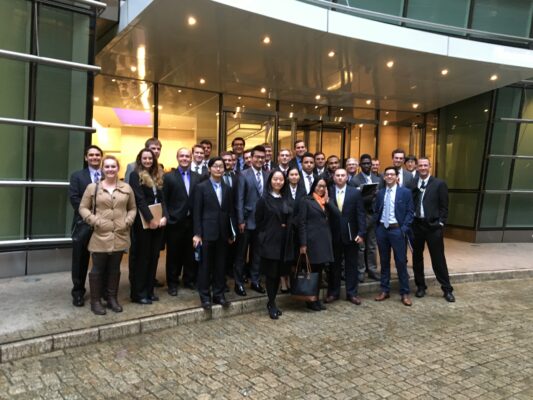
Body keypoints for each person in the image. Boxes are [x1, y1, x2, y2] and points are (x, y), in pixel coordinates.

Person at [79, 155, 136, 315]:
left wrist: (128, 221)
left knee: (114, 268)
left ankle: (112, 298)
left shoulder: (126, 188)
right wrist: (94, 220)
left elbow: (132, 208)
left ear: (118, 168)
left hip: (120, 234)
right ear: (103, 169)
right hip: (100, 234)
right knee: (97, 269)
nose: (110, 169)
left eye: (113, 166)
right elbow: (83, 207)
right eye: (107, 167)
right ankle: (96, 301)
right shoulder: (93, 188)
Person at [193, 157, 236, 310]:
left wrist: (232, 233)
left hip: (223, 234)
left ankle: (219, 295)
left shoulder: (227, 189)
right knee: (205, 266)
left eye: (221, 166)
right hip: (206, 233)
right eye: (216, 166)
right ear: (209, 168)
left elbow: (230, 212)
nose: (219, 169)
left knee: (220, 266)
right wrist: (197, 234)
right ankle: (205, 297)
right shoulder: (201, 187)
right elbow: (197, 212)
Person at [410, 157, 455, 302]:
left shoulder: (439, 184)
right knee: (417, 258)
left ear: (429, 166)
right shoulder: (412, 183)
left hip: (433, 227)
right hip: (417, 225)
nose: (422, 168)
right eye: (420, 165)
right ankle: (421, 287)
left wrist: (441, 223)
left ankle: (447, 289)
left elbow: (444, 206)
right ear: (416, 167)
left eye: (425, 165)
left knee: (438, 258)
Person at [129, 148, 168, 305]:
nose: (147, 161)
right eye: (144, 158)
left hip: (159, 222)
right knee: (142, 258)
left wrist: (165, 216)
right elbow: (139, 200)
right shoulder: (135, 175)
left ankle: (149, 291)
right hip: (143, 223)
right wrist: (150, 219)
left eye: (150, 158)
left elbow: (163, 199)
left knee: (154, 257)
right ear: (140, 159)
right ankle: (138, 293)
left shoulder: (157, 175)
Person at [256, 170, 293, 319]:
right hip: (270, 242)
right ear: (270, 181)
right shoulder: (264, 199)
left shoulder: (286, 198)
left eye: (281, 179)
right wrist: (264, 237)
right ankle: (271, 303)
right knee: (271, 274)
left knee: (278, 273)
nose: (278, 182)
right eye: (275, 179)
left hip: (284, 242)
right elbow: (258, 221)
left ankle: (273, 301)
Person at [374, 166, 414, 306]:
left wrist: (403, 229)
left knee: (401, 262)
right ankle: (384, 290)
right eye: (387, 174)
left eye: (392, 174)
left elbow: (410, 212)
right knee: (384, 262)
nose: (390, 176)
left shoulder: (405, 192)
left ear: (397, 177)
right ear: (384, 177)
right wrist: (376, 227)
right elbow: (376, 210)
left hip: (397, 230)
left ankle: (405, 293)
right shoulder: (380, 193)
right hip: (382, 230)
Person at [163, 147, 201, 295]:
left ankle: (189, 280)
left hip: (192, 222)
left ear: (191, 158)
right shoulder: (169, 177)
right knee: (173, 254)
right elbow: (164, 200)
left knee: (190, 253)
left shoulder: (198, 177)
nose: (185, 158)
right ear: (177, 158)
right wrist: (167, 216)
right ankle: (172, 283)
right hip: (175, 222)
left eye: (187, 156)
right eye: (182, 156)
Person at [69, 145, 103, 307]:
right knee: (80, 260)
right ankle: (78, 292)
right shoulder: (77, 176)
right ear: (86, 158)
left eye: (97, 155)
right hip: (83, 224)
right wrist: (90, 217)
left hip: (103, 225)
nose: (94, 157)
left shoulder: (108, 174)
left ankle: (100, 291)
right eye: (91, 155)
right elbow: (75, 199)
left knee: (101, 259)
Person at [327, 169, 366, 305]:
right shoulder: (328, 191)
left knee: (351, 265)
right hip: (333, 234)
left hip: (351, 234)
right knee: (334, 266)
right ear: (333, 177)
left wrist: (361, 233)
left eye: (342, 175)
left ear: (347, 177)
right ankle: (333, 293)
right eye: (337, 175)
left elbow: (360, 214)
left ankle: (352, 293)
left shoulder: (355, 192)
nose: (340, 178)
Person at [235, 145, 268, 296]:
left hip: (262, 223)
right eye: (257, 157)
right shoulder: (243, 174)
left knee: (257, 254)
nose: (260, 159)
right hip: (246, 221)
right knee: (241, 254)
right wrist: (240, 220)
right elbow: (239, 199)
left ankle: (255, 281)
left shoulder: (268, 175)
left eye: (263, 157)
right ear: (251, 158)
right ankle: (238, 283)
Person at [298, 177, 334, 311]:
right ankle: (310, 299)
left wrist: (328, 201)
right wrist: (303, 243)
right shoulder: (306, 201)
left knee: (319, 272)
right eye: (319, 186)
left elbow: (336, 215)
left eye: (324, 186)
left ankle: (316, 298)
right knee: (311, 272)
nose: (321, 189)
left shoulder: (325, 202)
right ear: (314, 186)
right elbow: (302, 223)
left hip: (323, 242)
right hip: (311, 242)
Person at [350, 154, 383, 282]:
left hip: (374, 216)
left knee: (372, 245)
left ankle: (373, 270)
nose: (367, 165)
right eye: (364, 163)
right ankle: (360, 272)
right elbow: (353, 200)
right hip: (361, 216)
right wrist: (368, 195)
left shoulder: (378, 179)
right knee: (361, 246)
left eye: (368, 163)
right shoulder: (355, 181)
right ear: (360, 165)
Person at [282, 167, 306, 293]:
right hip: (284, 228)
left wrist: (295, 222)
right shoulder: (283, 190)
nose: (294, 177)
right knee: (283, 255)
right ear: (287, 176)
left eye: (296, 174)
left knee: (294, 256)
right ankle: (282, 280)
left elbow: (303, 210)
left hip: (297, 228)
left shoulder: (303, 191)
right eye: (291, 174)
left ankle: (291, 279)